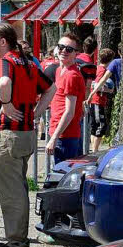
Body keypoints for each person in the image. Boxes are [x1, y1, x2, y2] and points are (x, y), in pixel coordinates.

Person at [0, 22, 54, 247]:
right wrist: (36, 112)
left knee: (11, 191)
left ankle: (16, 243)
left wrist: (6, 103)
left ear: (3, 42)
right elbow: (50, 89)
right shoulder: (28, 62)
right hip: (26, 133)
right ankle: (18, 240)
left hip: (8, 134)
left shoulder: (7, 61)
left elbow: (4, 83)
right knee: (19, 188)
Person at [45, 32, 88, 164]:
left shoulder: (71, 75)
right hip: (60, 132)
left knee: (62, 177)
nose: (63, 51)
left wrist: (54, 139)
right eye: (61, 47)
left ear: (76, 53)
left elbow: (69, 112)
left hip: (65, 136)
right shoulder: (59, 70)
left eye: (69, 49)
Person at [88, 48, 118, 152]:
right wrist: (109, 89)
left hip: (97, 101)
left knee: (95, 126)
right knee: (101, 125)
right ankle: (95, 150)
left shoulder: (98, 68)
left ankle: (94, 149)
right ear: (110, 60)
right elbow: (96, 84)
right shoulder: (102, 70)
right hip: (97, 101)